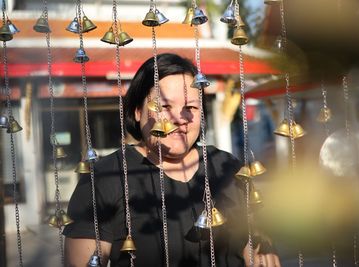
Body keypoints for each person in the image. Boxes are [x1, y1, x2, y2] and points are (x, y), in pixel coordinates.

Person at [63, 53, 280, 267]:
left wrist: (263, 249)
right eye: (164, 107)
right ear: (138, 111)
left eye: (191, 107)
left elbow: (254, 241)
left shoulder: (226, 167)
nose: (179, 118)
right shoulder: (105, 178)